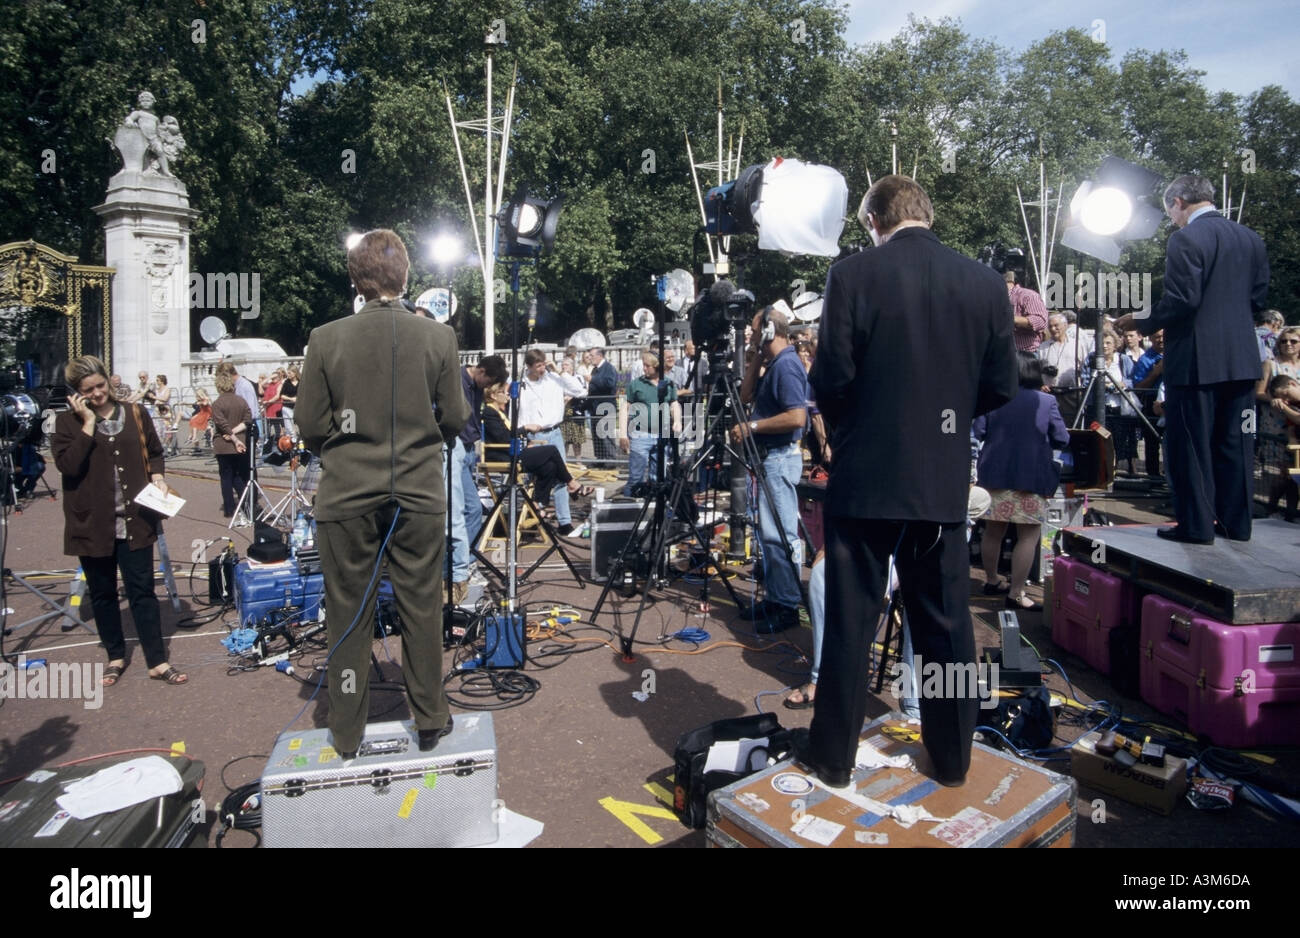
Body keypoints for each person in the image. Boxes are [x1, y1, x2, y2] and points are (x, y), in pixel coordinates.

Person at [807, 175, 1018, 788]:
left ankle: (833, 760)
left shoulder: (852, 274)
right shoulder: (982, 281)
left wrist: (859, 430)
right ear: (927, 213)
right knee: (948, 625)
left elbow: (833, 377)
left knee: (852, 623)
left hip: (868, 473)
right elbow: (1003, 382)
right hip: (940, 477)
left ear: (874, 219)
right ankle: (953, 760)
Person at [296, 228, 469, 759]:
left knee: (349, 614)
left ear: (355, 278)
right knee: (421, 607)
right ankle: (431, 718)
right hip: (418, 492)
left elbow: (308, 425)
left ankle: (347, 731)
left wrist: (347, 449)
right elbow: (457, 418)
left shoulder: (326, 338)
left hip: (347, 494)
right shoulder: (439, 338)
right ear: (406, 277)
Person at [1116, 175, 1269, 544]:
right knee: (1236, 445)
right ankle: (1236, 524)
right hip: (1242, 359)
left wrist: (1140, 319)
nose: (1171, 219)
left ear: (1179, 201)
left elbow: (1184, 299)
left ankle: (1196, 526)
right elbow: (1258, 299)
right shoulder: (1252, 239)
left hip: (1198, 360)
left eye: (1170, 210)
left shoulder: (1185, 238)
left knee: (1191, 446)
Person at [51, 355, 188, 687]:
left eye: (101, 385)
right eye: (89, 390)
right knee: (102, 593)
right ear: (77, 394)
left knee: (141, 590)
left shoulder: (135, 413)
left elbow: (154, 451)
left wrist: (156, 477)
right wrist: (86, 423)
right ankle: (115, 655)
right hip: (92, 522)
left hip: (135, 518)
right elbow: (68, 466)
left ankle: (157, 660)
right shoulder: (66, 423)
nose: (98, 394)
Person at [731, 304, 808, 633]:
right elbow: (745, 394)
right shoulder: (774, 363)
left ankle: (787, 604)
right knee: (770, 534)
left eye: (755, 329)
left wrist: (754, 427)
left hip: (779, 456)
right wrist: (757, 357)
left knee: (780, 534)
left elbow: (797, 417)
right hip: (769, 458)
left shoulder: (788, 365)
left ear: (768, 331)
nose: (750, 334)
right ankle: (777, 597)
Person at [974, 353, 1071, 611]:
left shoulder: (993, 398)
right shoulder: (1047, 400)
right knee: (1028, 536)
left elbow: (978, 431)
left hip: (994, 475)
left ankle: (992, 579)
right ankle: (1017, 592)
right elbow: (1061, 438)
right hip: (1030, 476)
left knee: (993, 532)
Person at [446, 354, 508, 603]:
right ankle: (464, 564)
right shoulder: (458, 380)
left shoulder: (474, 385)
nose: (488, 387)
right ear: (480, 371)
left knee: (471, 509)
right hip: (458, 447)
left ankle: (465, 560)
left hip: (469, 447)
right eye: (489, 381)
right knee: (467, 509)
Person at [482, 383, 593, 509]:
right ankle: (572, 483)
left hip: (512, 452)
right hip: (502, 456)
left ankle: (538, 505)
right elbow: (504, 438)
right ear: (493, 396)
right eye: (503, 392)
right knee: (551, 450)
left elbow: (509, 435)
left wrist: (526, 440)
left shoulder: (501, 412)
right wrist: (525, 428)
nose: (507, 393)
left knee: (549, 467)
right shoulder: (489, 413)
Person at [518, 348, 588, 536]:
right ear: (529, 367)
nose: (542, 369)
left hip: (554, 431)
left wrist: (560, 372)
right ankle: (533, 515)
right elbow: (515, 413)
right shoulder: (521, 384)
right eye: (538, 366)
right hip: (534, 435)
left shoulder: (554, 378)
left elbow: (580, 391)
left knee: (560, 476)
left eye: (543, 364)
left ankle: (564, 521)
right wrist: (522, 435)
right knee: (533, 478)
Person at [619, 351, 682, 495]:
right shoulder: (636, 384)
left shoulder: (669, 384)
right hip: (640, 434)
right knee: (636, 476)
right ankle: (631, 504)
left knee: (659, 477)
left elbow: (674, 404)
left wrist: (677, 421)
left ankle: (654, 507)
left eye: (647, 366)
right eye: (644, 365)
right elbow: (624, 409)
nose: (644, 369)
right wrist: (623, 434)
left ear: (657, 366)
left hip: (662, 434)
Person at [1256, 326, 1300, 518]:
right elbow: (1258, 392)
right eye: (1283, 341)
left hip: (1297, 425)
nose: (1288, 345)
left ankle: (1290, 509)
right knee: (1280, 472)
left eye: (1293, 341)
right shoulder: (1270, 364)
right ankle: (1272, 506)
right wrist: (1275, 400)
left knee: (1295, 470)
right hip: (1276, 424)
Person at [211, 371, 253, 519]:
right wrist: (236, 433)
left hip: (224, 444)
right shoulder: (241, 401)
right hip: (241, 442)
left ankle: (229, 508)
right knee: (238, 477)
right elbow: (248, 419)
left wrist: (232, 436)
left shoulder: (217, 403)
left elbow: (221, 424)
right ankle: (246, 505)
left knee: (226, 477)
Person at [586, 347, 619, 463]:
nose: (590, 358)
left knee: (606, 434)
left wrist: (593, 379)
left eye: (592, 355)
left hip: (606, 407)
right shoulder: (595, 369)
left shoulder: (608, 368)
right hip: (595, 408)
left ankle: (611, 460)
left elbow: (610, 384)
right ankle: (600, 459)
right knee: (597, 435)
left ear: (600, 356)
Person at [1006, 271, 1049, 352]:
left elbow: (1041, 321)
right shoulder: (996, 298)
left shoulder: (1027, 295)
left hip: (1026, 353)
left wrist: (1011, 318)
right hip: (1004, 352)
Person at [279, 366, 299, 436]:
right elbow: (281, 395)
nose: (288, 374)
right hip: (287, 407)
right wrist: (291, 399)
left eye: (290, 373)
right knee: (289, 428)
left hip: (298, 407)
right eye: (288, 373)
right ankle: (290, 443)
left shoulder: (301, 382)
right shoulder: (286, 382)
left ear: (295, 373)